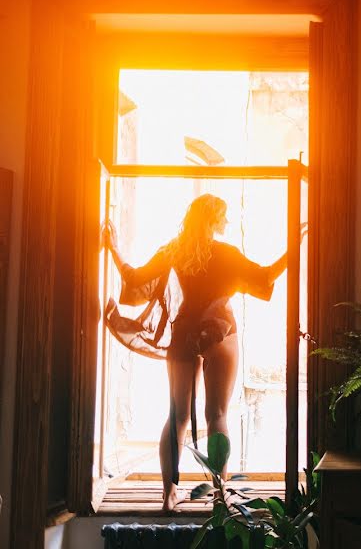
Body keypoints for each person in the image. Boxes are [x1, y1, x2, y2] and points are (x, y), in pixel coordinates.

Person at [104, 194, 291, 511]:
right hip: (220, 331)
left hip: (185, 332)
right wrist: (295, 250)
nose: (227, 223)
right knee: (217, 415)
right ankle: (220, 495)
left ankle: (169, 494)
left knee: (176, 415)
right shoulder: (226, 253)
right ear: (216, 220)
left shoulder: (174, 250)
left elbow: (133, 277)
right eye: (224, 218)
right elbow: (266, 276)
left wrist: (113, 246)